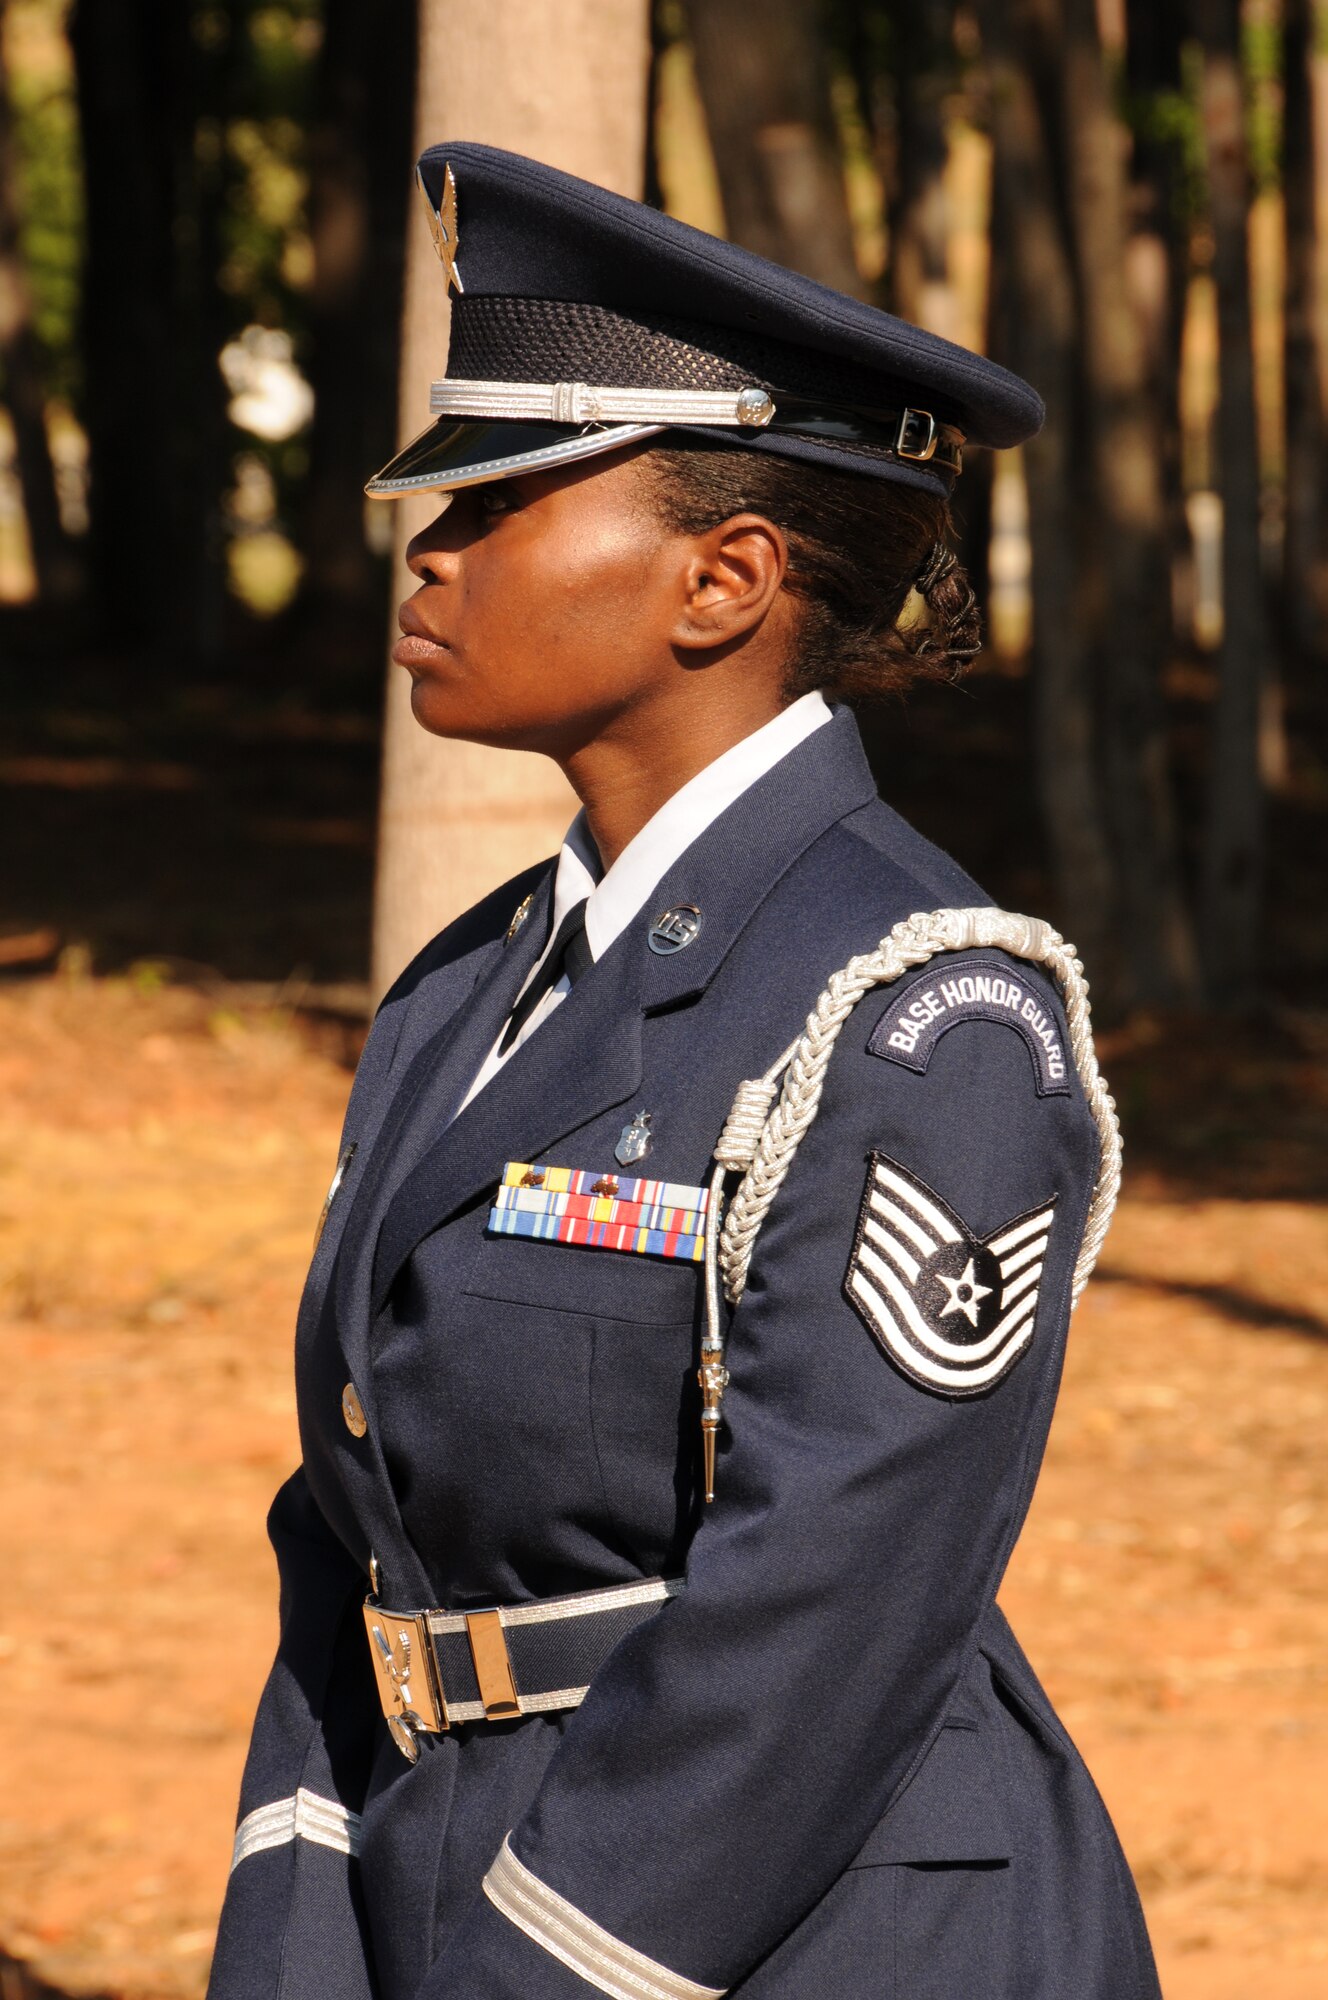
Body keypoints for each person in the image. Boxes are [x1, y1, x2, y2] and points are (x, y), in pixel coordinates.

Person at [207, 143, 1160, 2000]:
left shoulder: (923, 1009)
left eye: (499, 506)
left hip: (795, 1929)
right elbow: (354, 1519)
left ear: (722, 582)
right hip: (439, 1887)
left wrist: (540, 1972)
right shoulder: (470, 985)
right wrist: (300, 1919)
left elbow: (832, 1611)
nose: (430, 550)